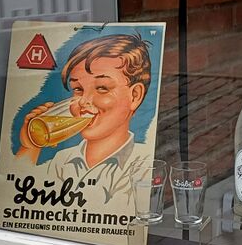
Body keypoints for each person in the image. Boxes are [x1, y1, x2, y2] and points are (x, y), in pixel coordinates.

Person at [16, 34, 152, 204]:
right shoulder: (61, 160)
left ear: (135, 95)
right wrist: (30, 146)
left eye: (102, 88)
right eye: (78, 89)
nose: (83, 101)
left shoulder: (144, 164)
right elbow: (15, 200)